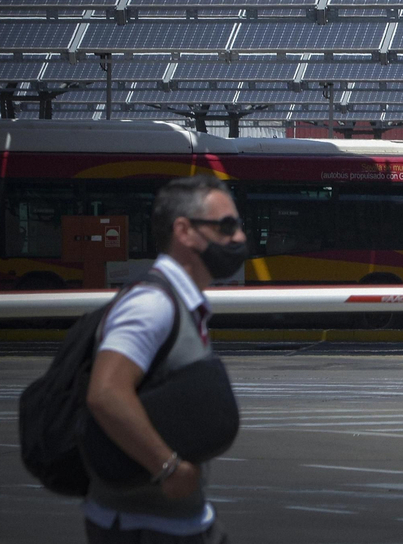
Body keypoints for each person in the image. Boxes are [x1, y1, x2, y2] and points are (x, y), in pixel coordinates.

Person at [82, 174, 248, 544]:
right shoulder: (152, 305)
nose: (239, 238)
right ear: (185, 231)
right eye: (226, 226)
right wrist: (168, 468)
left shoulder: (181, 302)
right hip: (144, 528)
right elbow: (106, 393)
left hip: (179, 521)